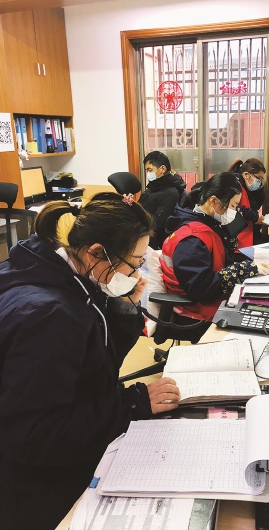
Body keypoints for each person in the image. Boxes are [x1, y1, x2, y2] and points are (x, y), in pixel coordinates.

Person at [0, 194, 180, 530]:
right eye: (134, 263)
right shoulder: (51, 316)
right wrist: (133, 404)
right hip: (35, 485)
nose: (137, 273)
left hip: (52, 449)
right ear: (96, 252)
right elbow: (36, 435)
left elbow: (96, 359)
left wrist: (123, 305)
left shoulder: (63, 272)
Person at [160, 172, 269, 342]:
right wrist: (240, 271)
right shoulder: (192, 239)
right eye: (233, 205)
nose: (234, 211)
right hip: (195, 312)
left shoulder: (208, 224)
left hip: (211, 300)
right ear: (213, 201)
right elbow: (200, 287)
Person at [139, 151, 187, 249]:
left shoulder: (171, 192)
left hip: (152, 239)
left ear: (163, 169)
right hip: (141, 230)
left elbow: (157, 223)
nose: (148, 174)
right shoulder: (154, 187)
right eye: (146, 170)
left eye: (150, 170)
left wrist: (137, 216)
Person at [228, 157, 269, 249]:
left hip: (249, 235)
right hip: (238, 239)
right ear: (246, 175)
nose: (259, 182)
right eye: (258, 178)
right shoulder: (234, 186)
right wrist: (255, 217)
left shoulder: (248, 190)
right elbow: (233, 209)